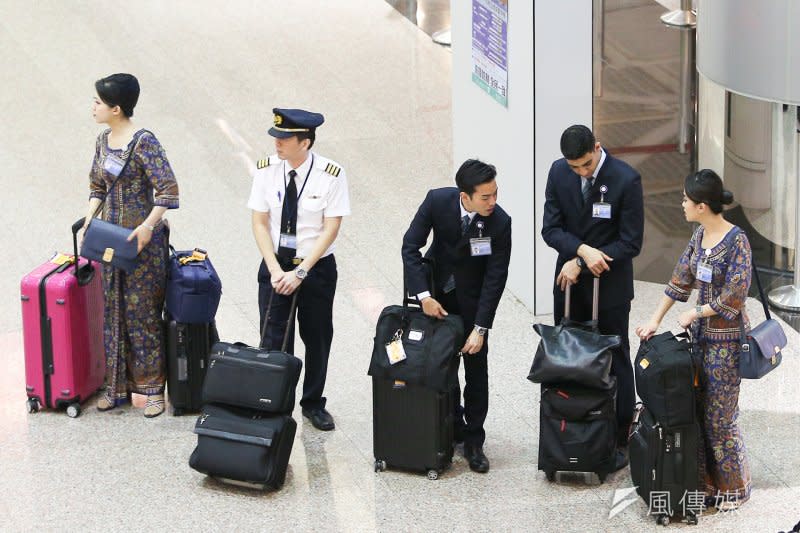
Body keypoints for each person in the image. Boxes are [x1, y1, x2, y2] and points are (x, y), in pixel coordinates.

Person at [635, 169, 752, 510]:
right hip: (699, 342)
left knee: (721, 418)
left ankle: (734, 488)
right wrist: (654, 320)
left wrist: (697, 314)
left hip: (726, 345)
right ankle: (705, 484)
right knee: (698, 411)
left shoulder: (737, 241)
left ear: (701, 205)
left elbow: (734, 296)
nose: (682, 204)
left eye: (686, 200)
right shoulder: (700, 236)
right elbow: (680, 279)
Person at [541, 124, 644, 469]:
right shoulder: (559, 172)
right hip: (568, 285)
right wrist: (582, 251)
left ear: (598, 148)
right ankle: (570, 426)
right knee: (568, 356)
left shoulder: (625, 180)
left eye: (586, 164)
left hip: (609, 287)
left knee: (614, 357)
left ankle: (618, 434)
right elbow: (551, 229)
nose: (581, 172)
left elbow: (630, 243)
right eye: (575, 167)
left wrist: (581, 263)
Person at [401, 159, 512, 473]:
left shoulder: (500, 223)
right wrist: (423, 296)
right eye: (485, 197)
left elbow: (495, 277)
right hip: (436, 302)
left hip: (473, 306)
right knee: (440, 367)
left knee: (477, 374)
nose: (493, 202)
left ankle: (474, 439)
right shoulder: (438, 201)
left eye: (495, 194)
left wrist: (481, 328)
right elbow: (410, 247)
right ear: (465, 196)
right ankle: (449, 425)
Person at [248, 108, 350, 431]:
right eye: (276, 136)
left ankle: (313, 403)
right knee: (274, 338)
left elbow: (330, 229)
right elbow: (259, 221)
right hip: (276, 265)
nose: (276, 143)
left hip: (315, 269)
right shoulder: (266, 170)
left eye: (284, 138)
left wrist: (301, 272)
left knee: (317, 336)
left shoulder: (331, 175)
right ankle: (276, 402)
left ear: (304, 142)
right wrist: (274, 268)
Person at [85, 73, 179, 418]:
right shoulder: (102, 140)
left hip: (142, 246)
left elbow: (168, 191)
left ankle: (153, 391)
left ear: (117, 107)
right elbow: (97, 185)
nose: (93, 107)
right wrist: (89, 218)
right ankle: (116, 388)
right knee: (113, 312)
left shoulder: (145, 143)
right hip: (108, 241)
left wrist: (146, 227)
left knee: (143, 316)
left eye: (98, 101)